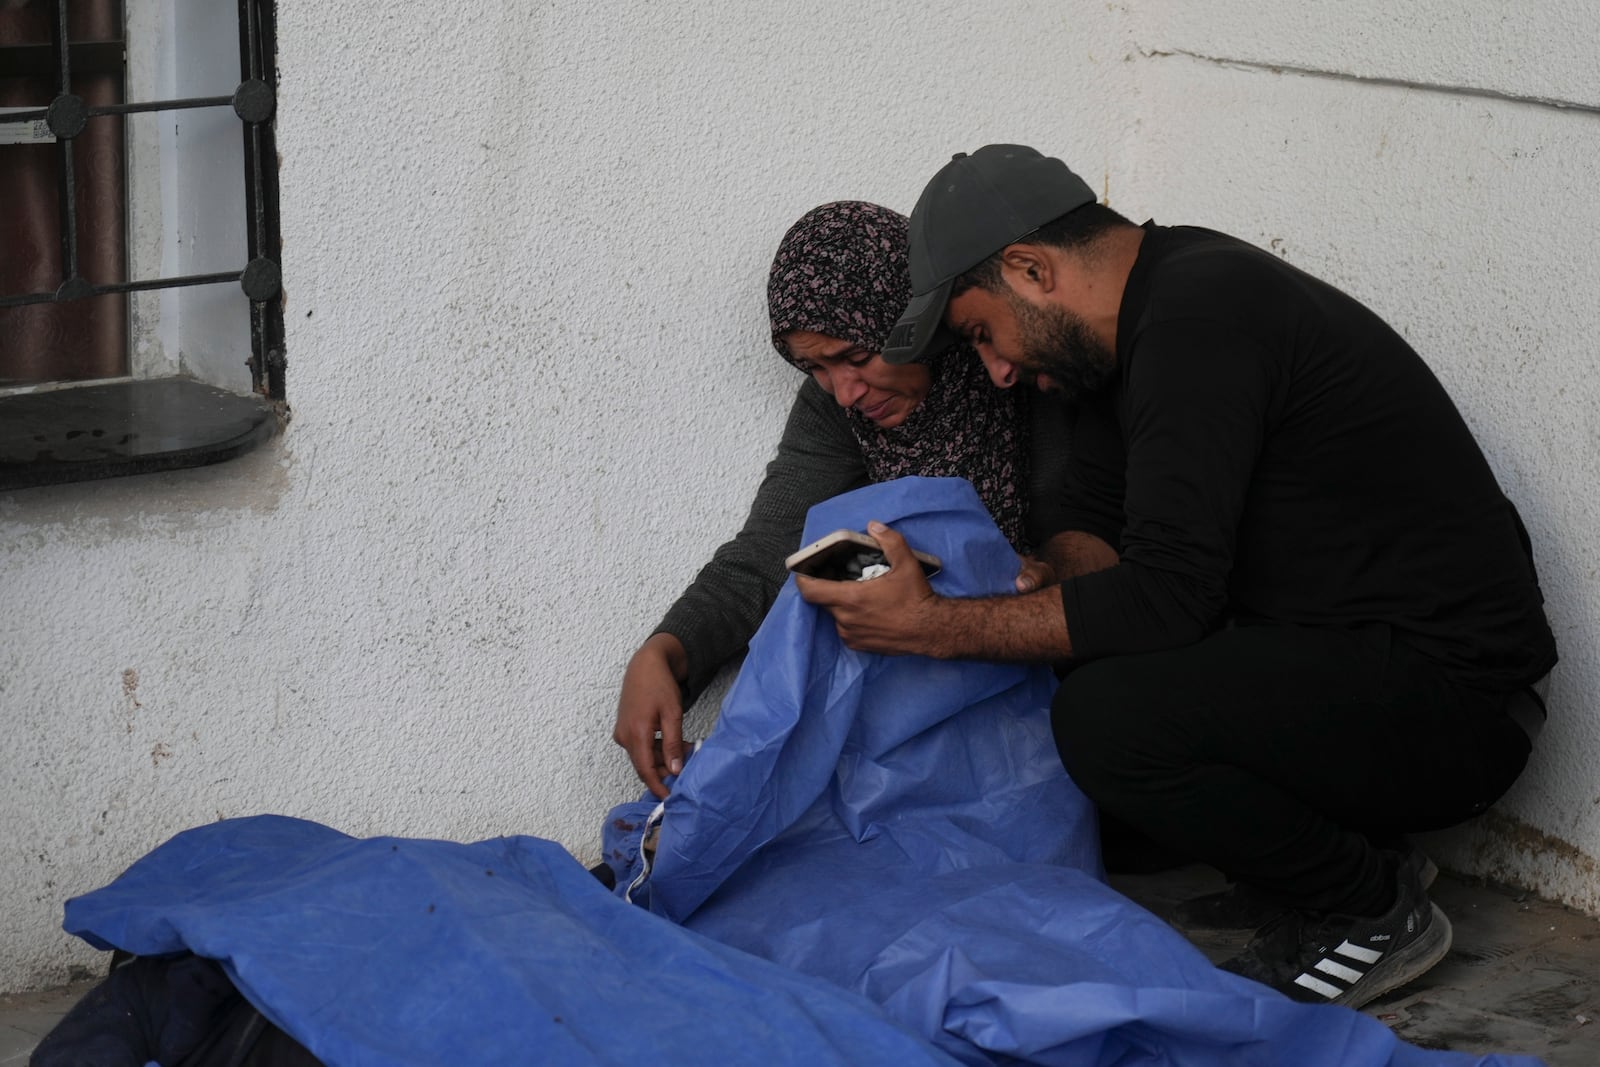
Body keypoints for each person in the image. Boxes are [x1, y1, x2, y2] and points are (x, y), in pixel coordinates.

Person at [796, 145, 1557, 1010]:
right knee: (1088, 709)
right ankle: (1358, 856)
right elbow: (1094, 529)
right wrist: (1027, 581)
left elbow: (1164, 598)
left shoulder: (1203, 318)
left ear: (1030, 268)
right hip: (1356, 667)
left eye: (980, 333)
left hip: (1460, 702)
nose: (998, 370)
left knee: (1107, 720)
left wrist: (933, 627)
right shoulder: (1135, 328)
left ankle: (1370, 908)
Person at [613, 200, 1072, 799]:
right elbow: (765, 553)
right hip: (933, 691)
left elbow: (1097, 534)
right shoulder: (838, 411)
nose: (847, 391)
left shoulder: (1020, 369)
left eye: (857, 356)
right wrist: (665, 651)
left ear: (916, 320)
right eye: (816, 368)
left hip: (1057, 668)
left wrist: (1045, 573)